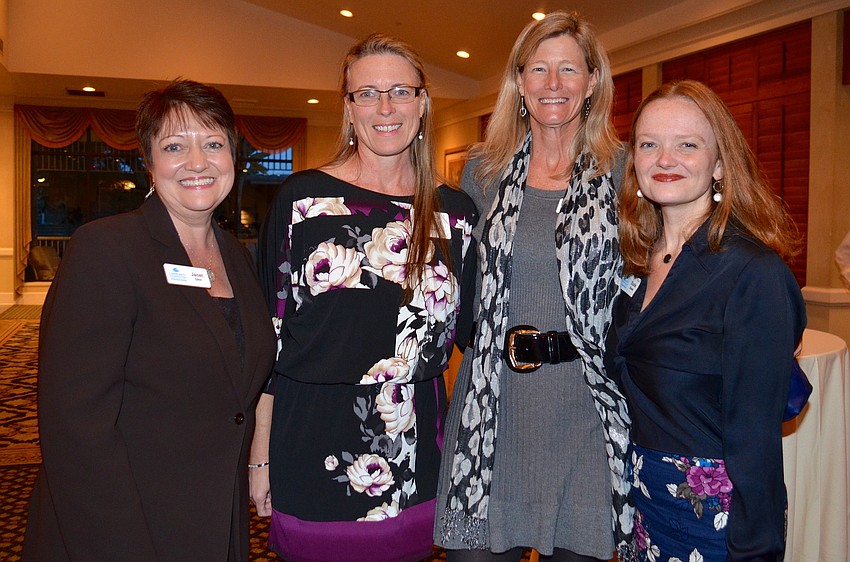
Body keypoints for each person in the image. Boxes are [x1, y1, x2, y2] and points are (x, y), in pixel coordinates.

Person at [23, 79, 276, 561]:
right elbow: (74, 427)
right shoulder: (107, 250)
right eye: (175, 146)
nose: (198, 162)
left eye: (214, 143)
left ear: (233, 158)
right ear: (149, 163)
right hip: (121, 525)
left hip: (212, 519)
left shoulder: (237, 258)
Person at [248, 34, 478, 562]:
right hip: (311, 445)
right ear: (348, 109)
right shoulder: (302, 202)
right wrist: (260, 453)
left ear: (423, 102)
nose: (385, 107)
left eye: (400, 90)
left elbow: (476, 336)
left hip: (415, 450)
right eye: (367, 93)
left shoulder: (457, 214)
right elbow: (270, 339)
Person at [435, 11, 632, 562]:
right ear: (518, 82)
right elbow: (455, 278)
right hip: (493, 404)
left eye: (568, 69)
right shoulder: (482, 170)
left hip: (585, 408)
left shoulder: (622, 172)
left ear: (592, 81)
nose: (553, 84)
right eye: (539, 69)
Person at [604, 80, 806, 561]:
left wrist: (755, 551)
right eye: (649, 144)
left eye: (687, 145)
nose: (665, 159)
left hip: (716, 520)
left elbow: (755, 440)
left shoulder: (753, 273)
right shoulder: (636, 261)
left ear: (719, 165)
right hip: (643, 505)